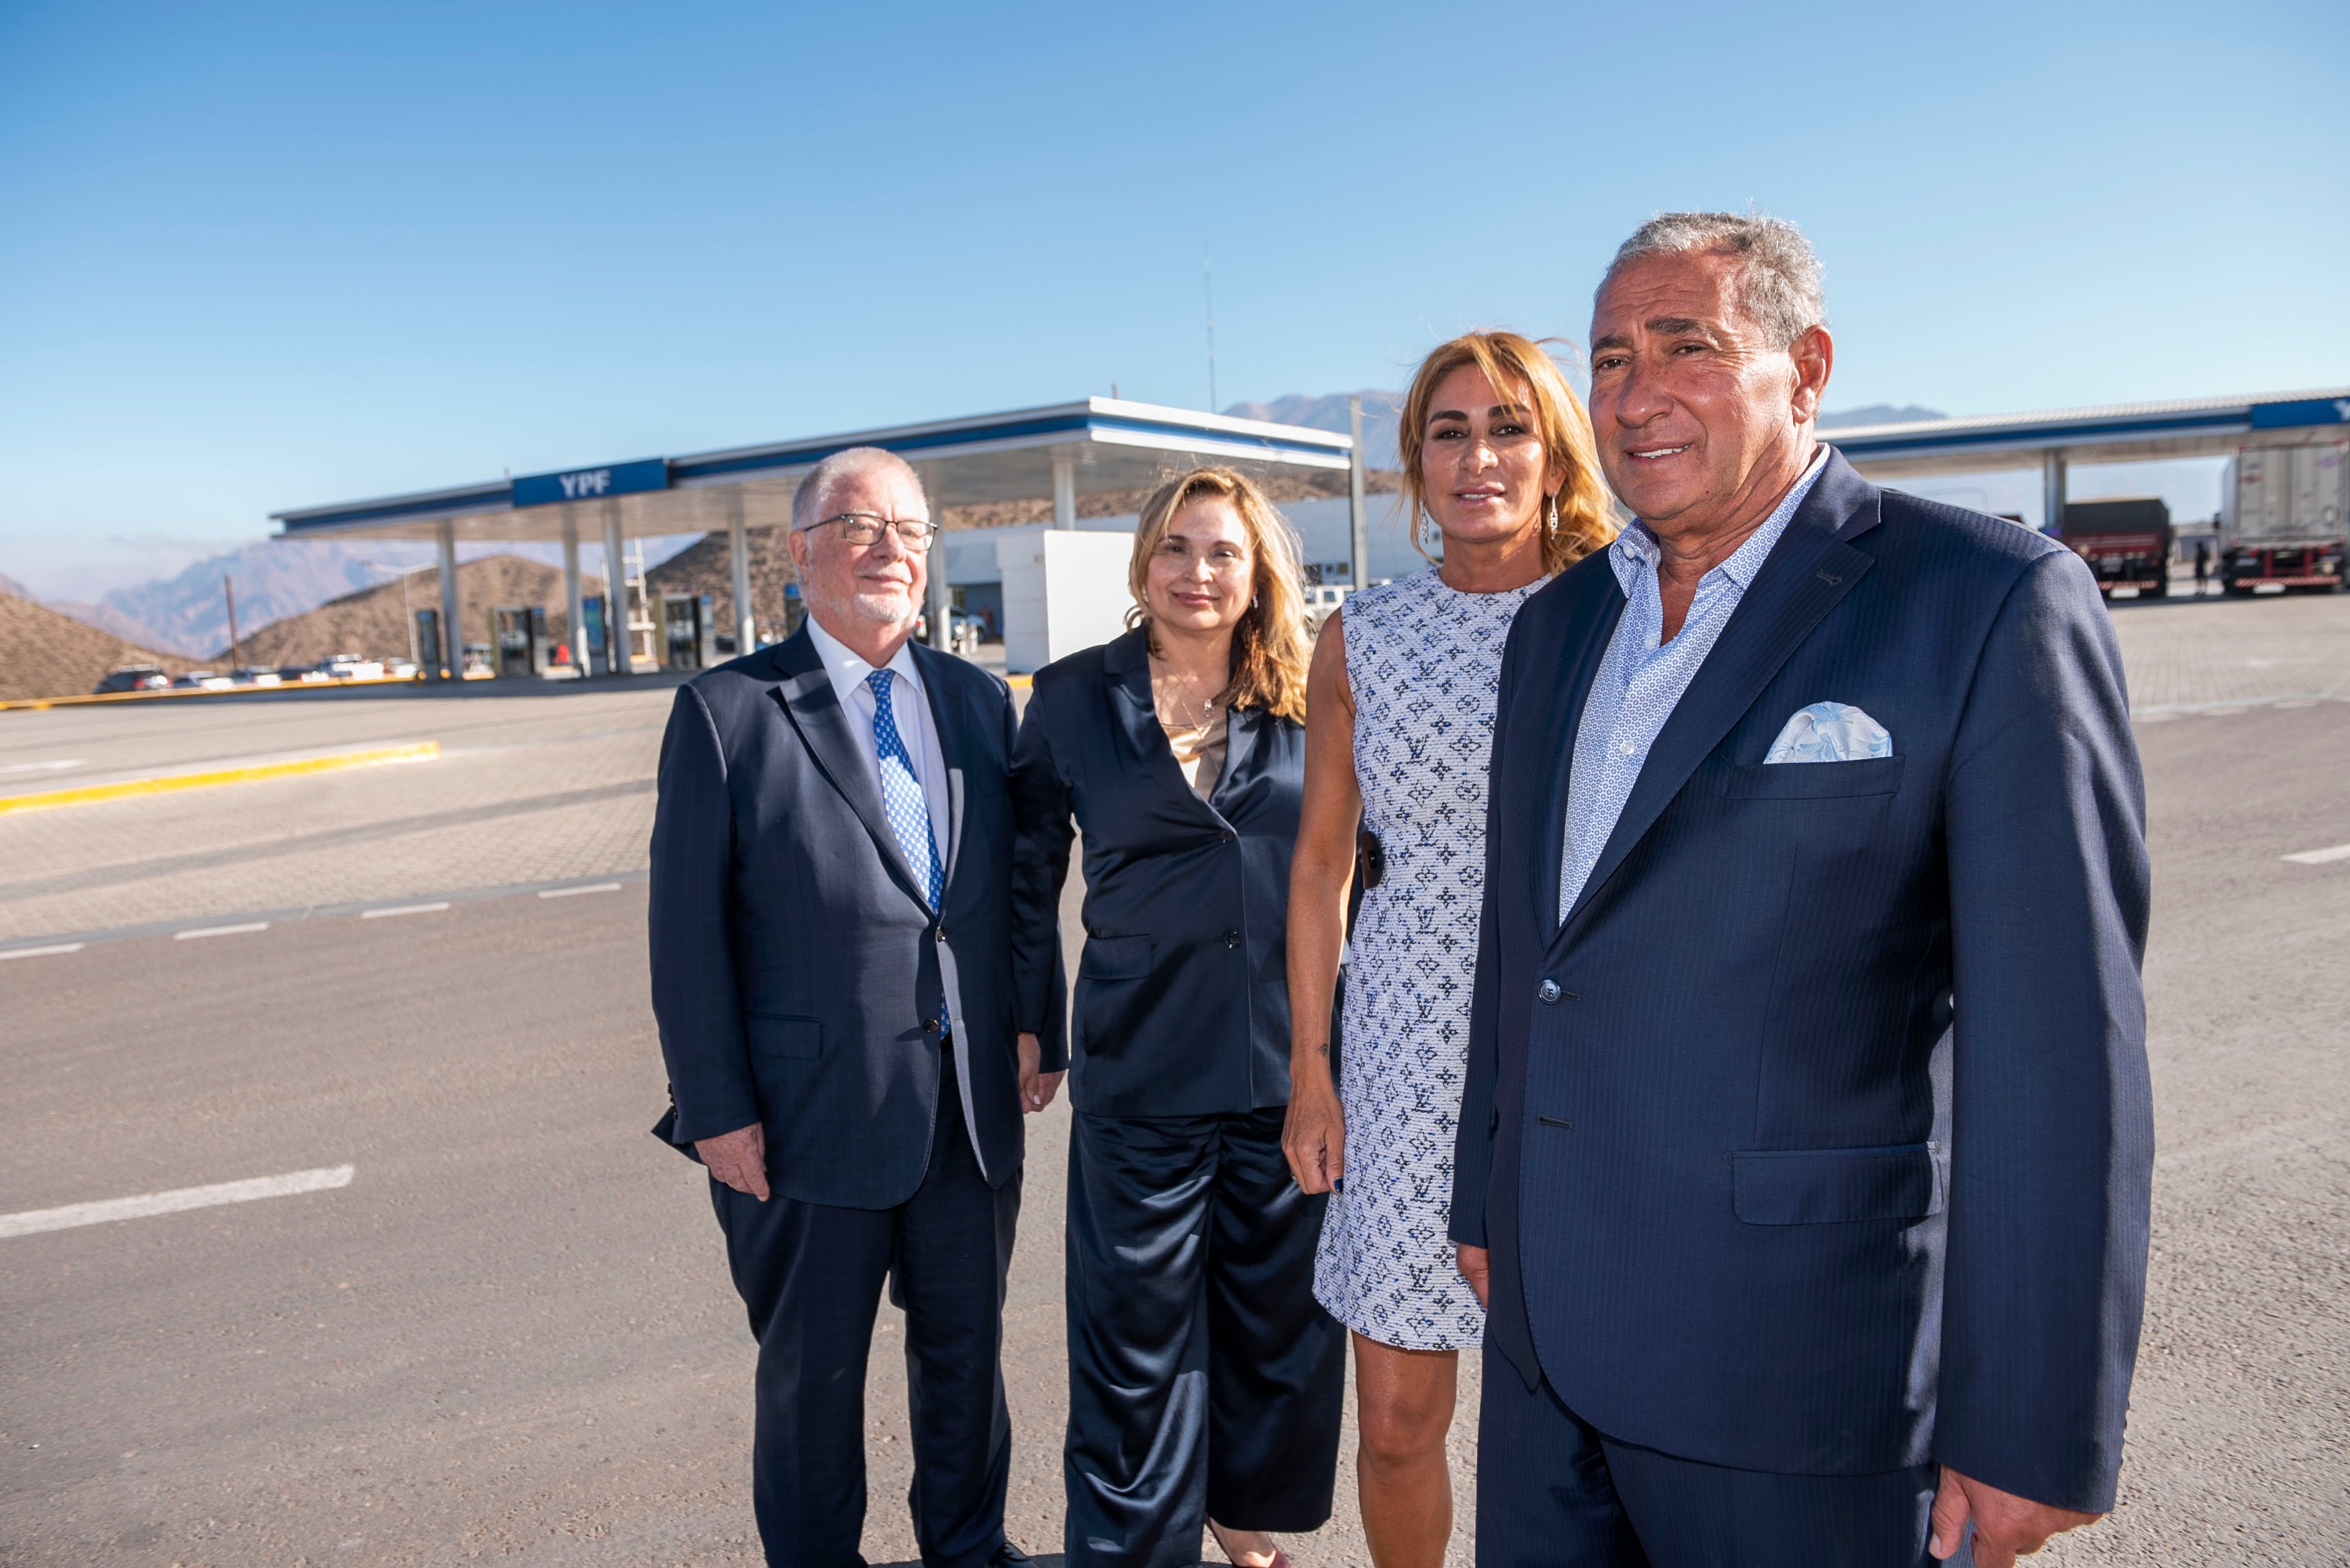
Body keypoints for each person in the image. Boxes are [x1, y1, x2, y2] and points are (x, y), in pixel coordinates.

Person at [1452, 212, 2154, 1567]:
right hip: (1549, 1357)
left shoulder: (1984, 601)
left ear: (1807, 365)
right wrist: (1483, 1207)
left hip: (1801, 1378)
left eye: (1685, 347)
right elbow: (1523, 944)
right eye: (1607, 359)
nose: (1635, 392)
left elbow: (2062, 1049)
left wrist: (2030, 1421)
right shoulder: (1555, 626)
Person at [648, 446, 1060, 1568]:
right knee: (811, 1382)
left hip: (967, 1116)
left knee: (966, 1365)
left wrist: (1037, 1020)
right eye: (861, 528)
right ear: (801, 554)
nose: (892, 550)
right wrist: (715, 1109)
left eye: (912, 531)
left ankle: (968, 1549)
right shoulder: (729, 712)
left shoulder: (978, 700)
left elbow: (1021, 882)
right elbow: (684, 938)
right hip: (802, 1124)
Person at [1282, 333, 1615, 1568]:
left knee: (1592, 1405)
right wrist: (1311, 1073)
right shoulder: (1357, 639)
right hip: (1406, 1040)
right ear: (1415, 465)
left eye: (1510, 426)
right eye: (1450, 431)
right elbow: (1321, 868)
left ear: (1554, 451)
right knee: (1397, 1415)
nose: (1480, 456)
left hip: (1581, 1029)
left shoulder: (1625, 611)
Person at [1011, 467, 1346, 1568]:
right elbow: (1022, 880)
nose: (1198, 574)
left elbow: (1360, 867)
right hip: (1141, 1067)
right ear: (1142, 563)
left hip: (1284, 1073)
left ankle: (1239, 1516)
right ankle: (1133, 1548)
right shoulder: (1066, 700)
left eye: (1224, 555)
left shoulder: (1314, 696)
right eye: (1176, 549)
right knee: (1132, 1343)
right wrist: (1035, 1024)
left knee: (1274, 1332)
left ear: (1259, 579)